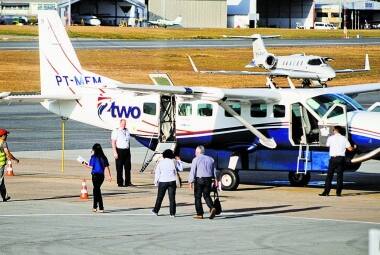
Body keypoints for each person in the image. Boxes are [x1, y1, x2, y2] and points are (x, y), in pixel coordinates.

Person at [319, 126, 355, 197]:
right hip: (341, 159)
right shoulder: (344, 138)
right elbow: (350, 149)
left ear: (335, 131)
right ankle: (338, 193)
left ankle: (326, 192)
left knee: (329, 176)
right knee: (339, 176)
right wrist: (354, 148)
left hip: (333, 159)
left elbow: (327, 145)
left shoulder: (330, 138)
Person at [188, 145, 217, 219]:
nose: (195, 153)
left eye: (195, 152)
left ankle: (200, 214)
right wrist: (215, 179)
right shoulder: (211, 159)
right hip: (209, 179)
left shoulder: (196, 159)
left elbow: (193, 171)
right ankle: (212, 207)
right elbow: (214, 170)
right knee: (206, 195)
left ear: (198, 152)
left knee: (197, 197)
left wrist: (190, 181)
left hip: (199, 179)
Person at [82, 143, 112, 212]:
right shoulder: (104, 157)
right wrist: (109, 176)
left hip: (95, 176)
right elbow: (107, 167)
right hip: (101, 176)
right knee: (96, 190)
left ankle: (100, 207)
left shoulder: (93, 157)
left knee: (97, 190)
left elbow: (91, 166)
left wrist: (84, 163)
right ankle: (95, 207)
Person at [152, 149, 178, 217]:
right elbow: (179, 169)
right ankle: (172, 213)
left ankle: (156, 211)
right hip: (172, 181)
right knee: (172, 198)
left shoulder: (161, 162)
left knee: (160, 197)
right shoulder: (173, 161)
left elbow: (157, 173)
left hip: (163, 181)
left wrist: (155, 182)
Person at [111, 119, 132, 187]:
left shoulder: (127, 130)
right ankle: (120, 183)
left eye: (125, 124)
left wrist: (129, 150)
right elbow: (113, 142)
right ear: (120, 123)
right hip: (119, 150)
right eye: (123, 124)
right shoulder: (116, 131)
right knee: (119, 168)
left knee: (128, 167)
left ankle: (127, 182)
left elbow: (128, 141)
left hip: (127, 151)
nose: (124, 125)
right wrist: (115, 152)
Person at [0, 129, 19, 202]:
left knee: (2, 181)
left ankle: (5, 196)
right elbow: (7, 153)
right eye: (6, 135)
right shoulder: (3, 143)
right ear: (2, 136)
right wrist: (15, 159)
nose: (7, 136)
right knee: (0, 181)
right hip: (0, 165)